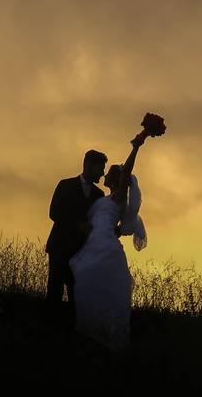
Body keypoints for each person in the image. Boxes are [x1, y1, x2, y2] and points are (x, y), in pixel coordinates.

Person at [68, 130, 149, 352]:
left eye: (108, 173)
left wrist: (136, 146)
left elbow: (127, 172)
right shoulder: (101, 199)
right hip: (93, 243)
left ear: (116, 179)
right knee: (87, 288)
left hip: (105, 248)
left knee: (101, 289)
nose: (103, 175)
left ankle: (105, 338)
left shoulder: (118, 197)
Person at [45, 149, 107, 323]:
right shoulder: (65, 184)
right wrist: (78, 226)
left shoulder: (99, 195)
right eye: (100, 169)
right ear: (88, 165)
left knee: (77, 294)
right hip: (60, 247)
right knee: (54, 292)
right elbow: (54, 212)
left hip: (81, 252)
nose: (102, 173)